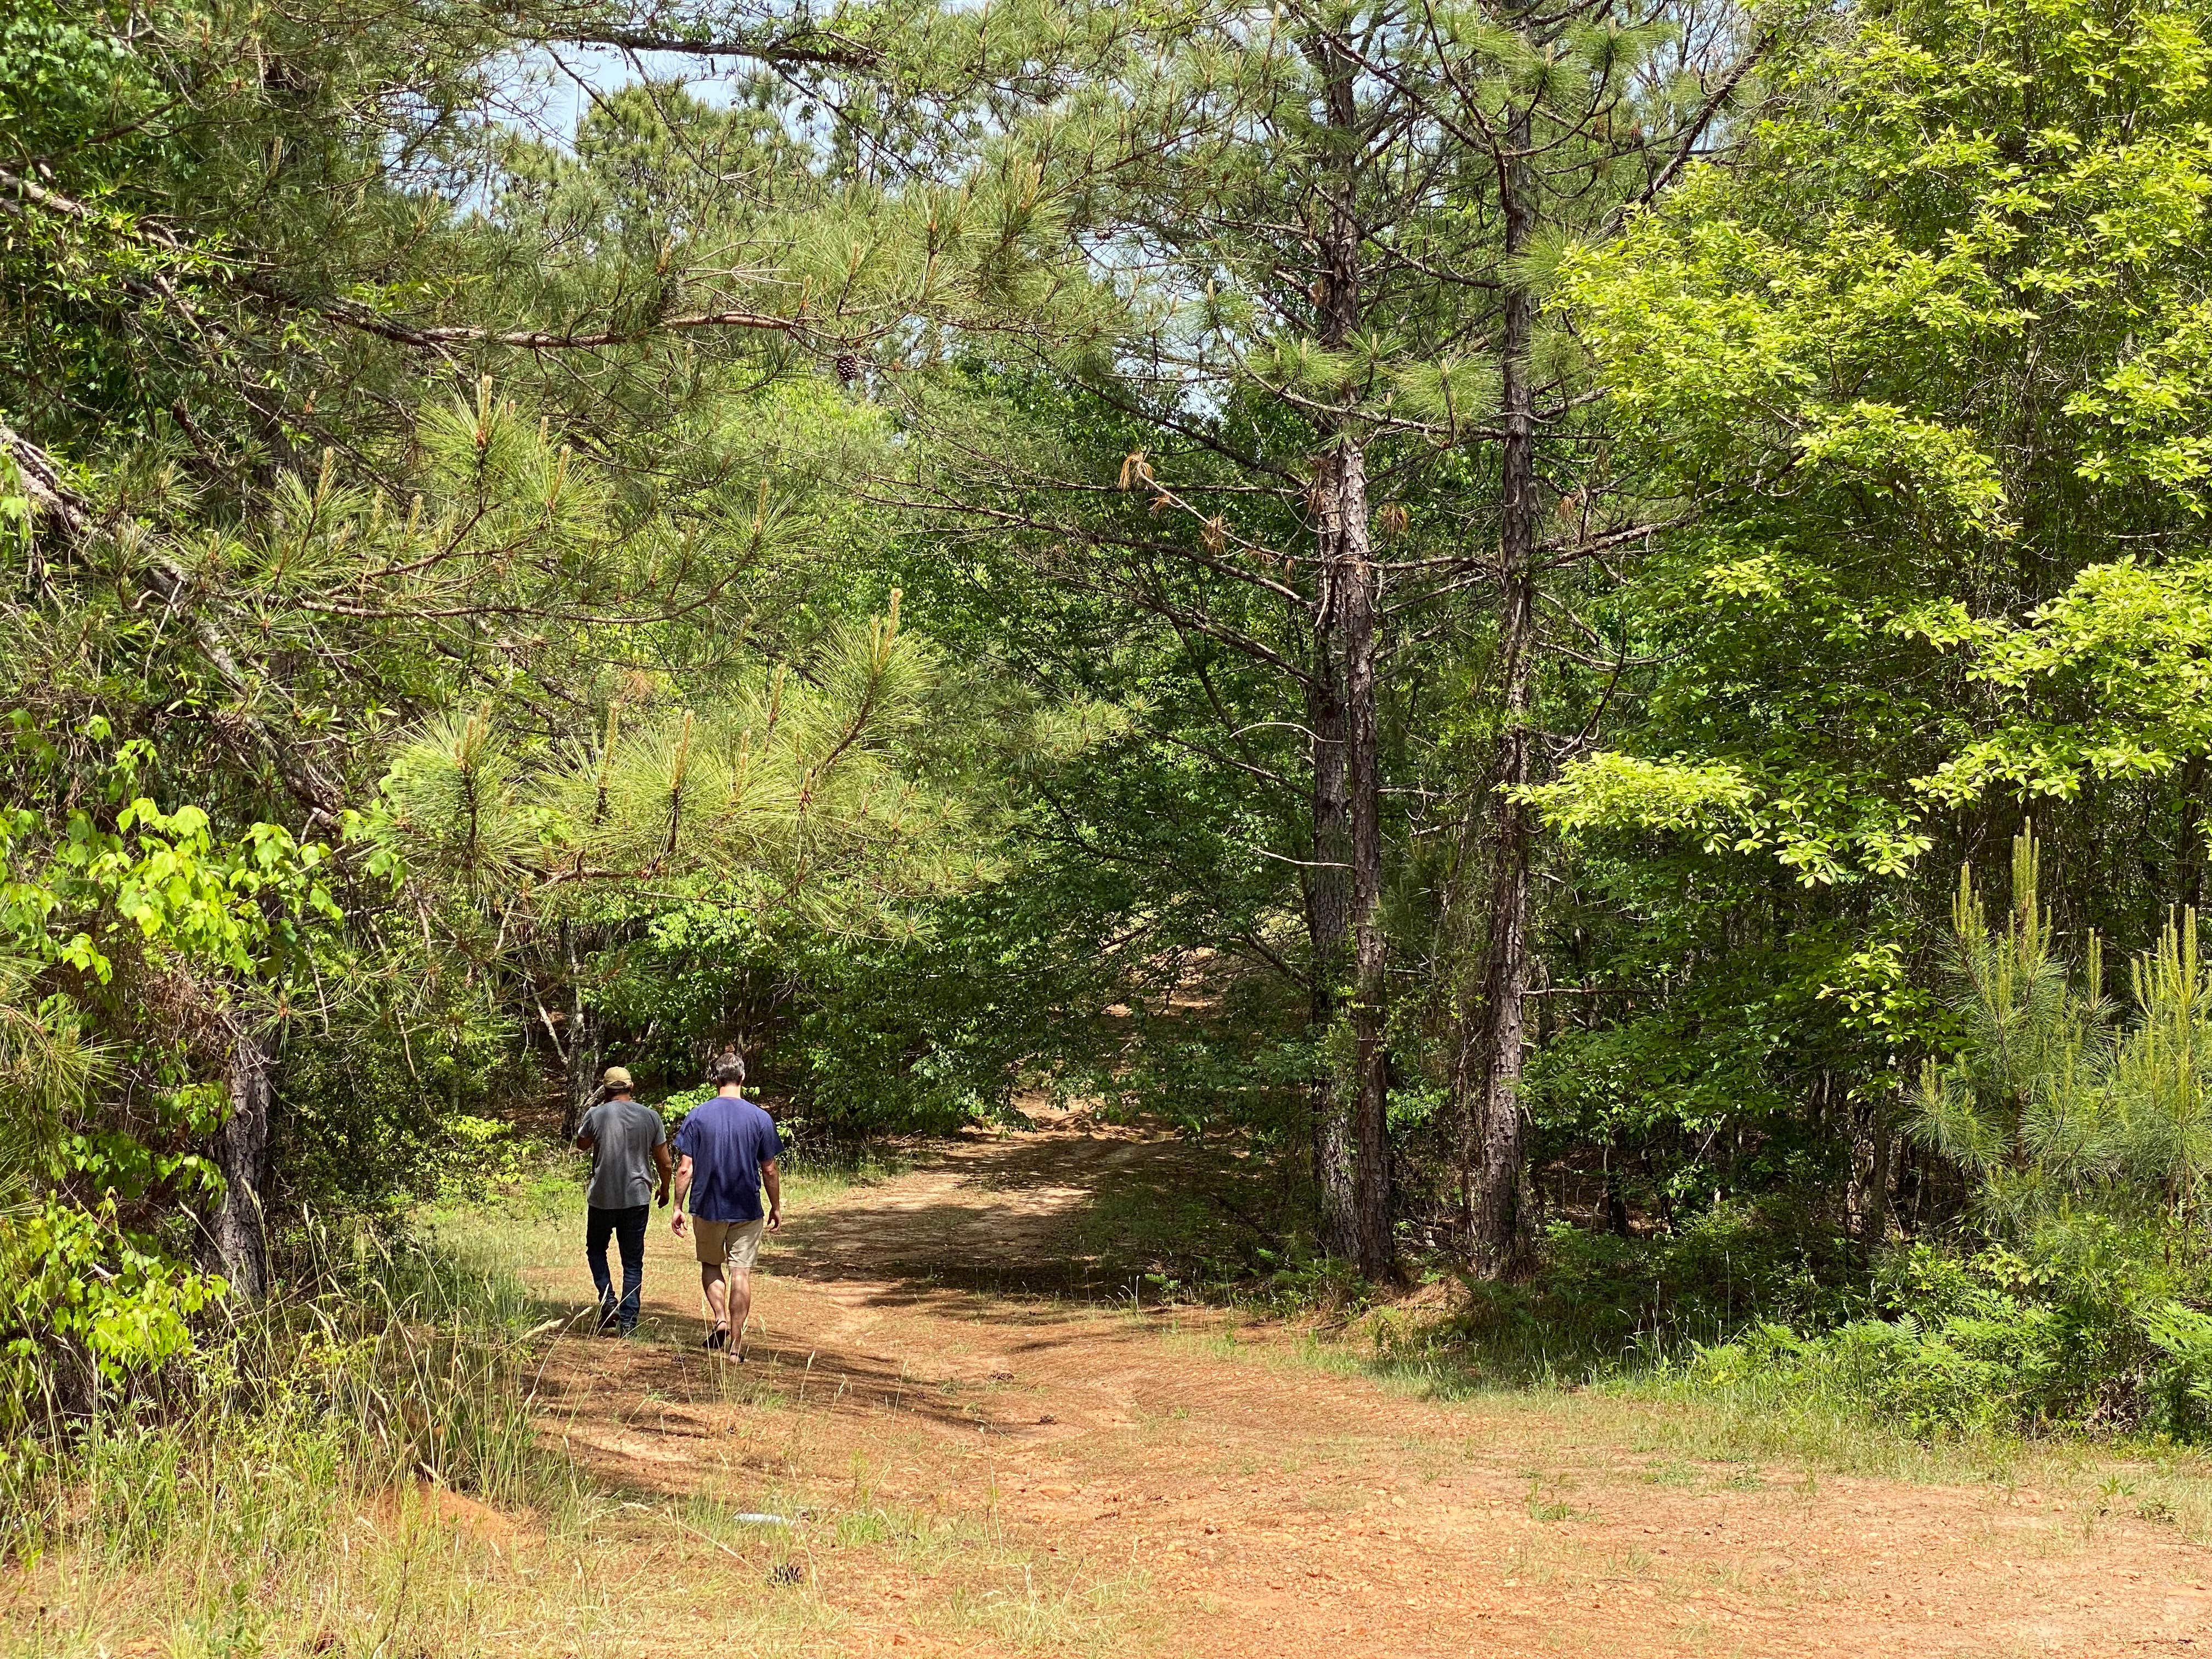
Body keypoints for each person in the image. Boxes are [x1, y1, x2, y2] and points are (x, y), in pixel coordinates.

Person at [670, 1051, 782, 1355]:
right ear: (743, 1078)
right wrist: (775, 1205)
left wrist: (678, 1206)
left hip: (708, 1205)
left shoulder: (698, 1115)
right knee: (741, 1273)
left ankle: (720, 1318)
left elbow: (685, 1168)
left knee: (711, 1264)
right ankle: (735, 1344)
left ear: (716, 1079)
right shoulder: (760, 1118)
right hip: (747, 1207)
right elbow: (769, 1168)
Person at [574, 1065, 672, 1336]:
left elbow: (581, 1145)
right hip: (637, 1197)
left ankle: (608, 1301)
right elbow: (664, 1162)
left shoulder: (596, 1114)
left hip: (602, 1197)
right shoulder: (650, 1116)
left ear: (605, 1090)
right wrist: (665, 1190)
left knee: (596, 1249)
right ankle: (628, 1322)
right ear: (632, 1087)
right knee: (632, 1261)